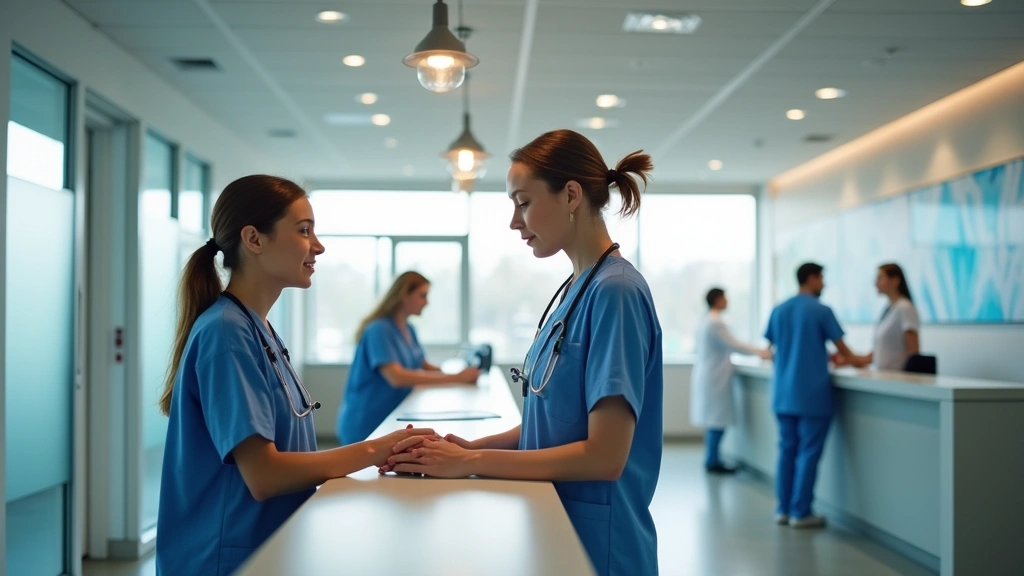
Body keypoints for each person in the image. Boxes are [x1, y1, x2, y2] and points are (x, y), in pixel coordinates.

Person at [378, 129, 664, 576]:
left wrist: (470, 462)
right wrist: (465, 447)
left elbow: (605, 457)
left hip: (599, 543)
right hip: (553, 521)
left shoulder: (616, 293)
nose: (515, 221)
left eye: (523, 202)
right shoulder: (576, 287)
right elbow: (550, 419)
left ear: (571, 195)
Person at [155, 175, 435, 575]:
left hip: (269, 547)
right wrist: (378, 449)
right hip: (226, 559)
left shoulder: (258, 328)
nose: (317, 246)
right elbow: (264, 475)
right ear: (254, 239)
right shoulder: (226, 333)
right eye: (304, 231)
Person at [764, 262, 868, 529]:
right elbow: (845, 351)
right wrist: (864, 359)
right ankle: (801, 511)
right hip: (811, 394)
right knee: (808, 452)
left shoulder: (779, 310)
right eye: (821, 278)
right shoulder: (821, 310)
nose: (823, 283)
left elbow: (774, 347)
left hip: (783, 394)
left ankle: (784, 509)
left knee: (787, 450)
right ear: (811, 278)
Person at [336, 271, 481, 445]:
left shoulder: (408, 328)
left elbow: (422, 363)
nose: (427, 302)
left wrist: (459, 373)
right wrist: (456, 378)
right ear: (404, 295)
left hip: (393, 417)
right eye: (423, 296)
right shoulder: (379, 330)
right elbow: (397, 377)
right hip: (367, 421)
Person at [691, 287, 772, 474]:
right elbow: (734, 344)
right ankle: (713, 460)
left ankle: (712, 458)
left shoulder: (707, 320)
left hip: (711, 375)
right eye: (725, 298)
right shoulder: (714, 322)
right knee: (716, 420)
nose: (727, 301)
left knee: (714, 420)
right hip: (714, 377)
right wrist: (761, 352)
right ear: (717, 300)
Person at [866, 263, 920, 371]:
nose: (876, 283)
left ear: (895, 280)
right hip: (886, 376)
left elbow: (913, 351)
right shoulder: (889, 309)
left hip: (899, 378)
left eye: (880, 278)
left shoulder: (905, 308)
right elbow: (881, 352)